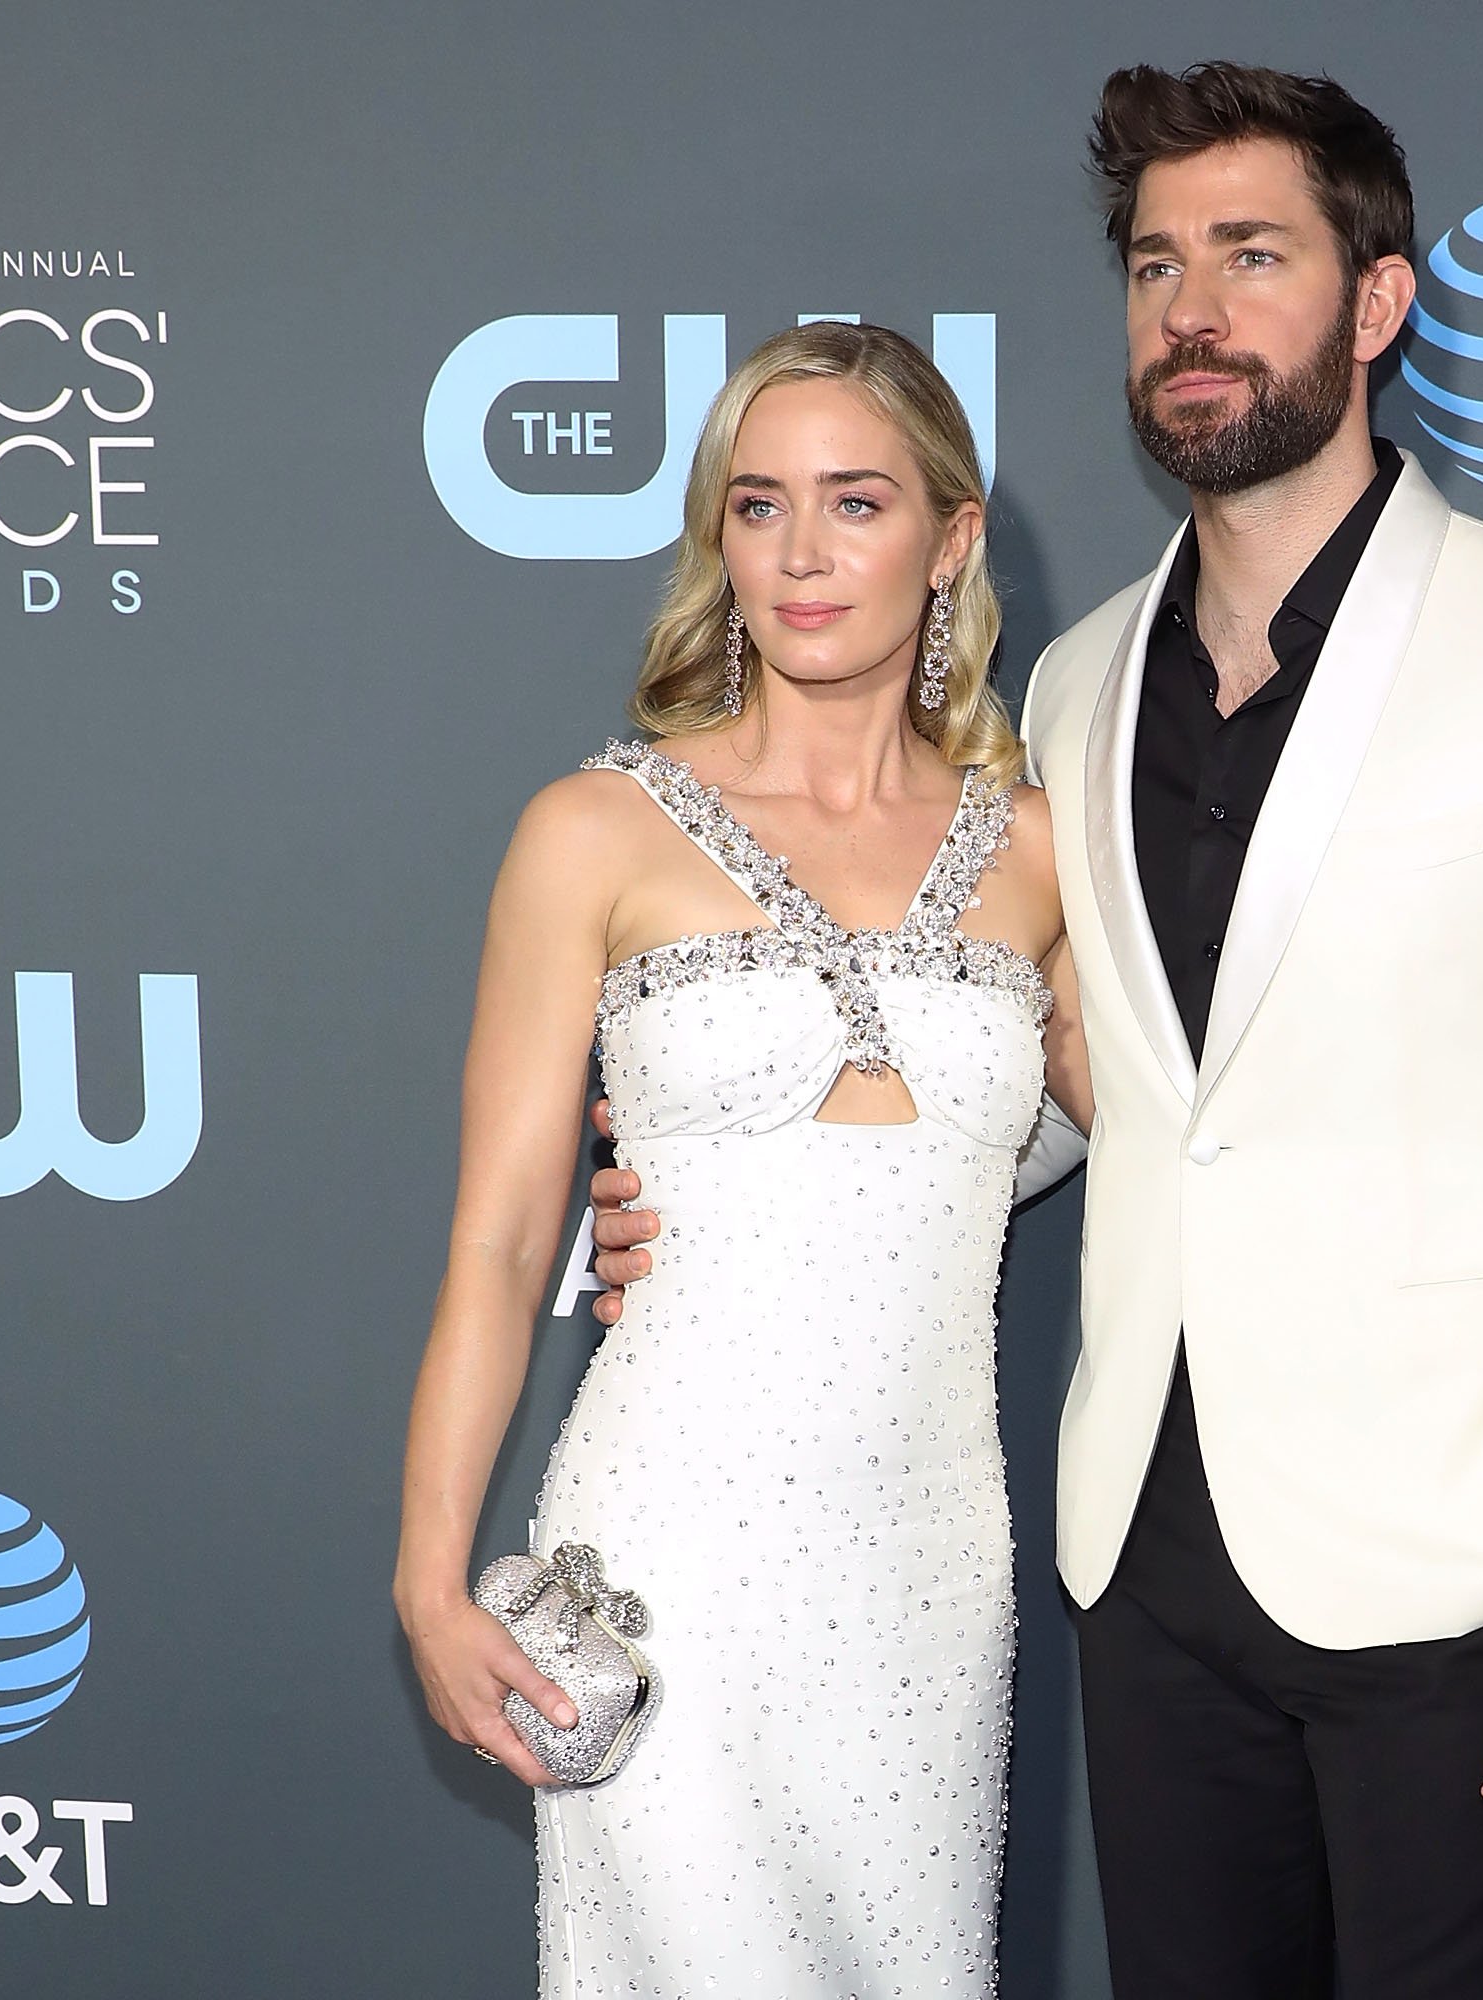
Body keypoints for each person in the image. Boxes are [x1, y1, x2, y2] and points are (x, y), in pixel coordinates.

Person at [594, 61, 1483, 2000]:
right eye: (1154, 268)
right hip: (1147, 1565)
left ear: (1376, 305)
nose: (1189, 312)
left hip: (1458, 1570)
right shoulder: (1066, 683)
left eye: (1250, 256)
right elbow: (1050, 1090)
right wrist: (751, 1198)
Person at [394, 320, 1088, 1999]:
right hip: (673, 1556)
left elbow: (1075, 1131)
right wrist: (428, 1576)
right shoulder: (594, 831)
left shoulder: (1046, 853)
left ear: (952, 534)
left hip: (925, 1565)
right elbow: (497, 1240)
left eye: (857, 503)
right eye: (758, 504)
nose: (800, 553)